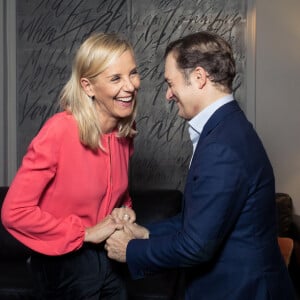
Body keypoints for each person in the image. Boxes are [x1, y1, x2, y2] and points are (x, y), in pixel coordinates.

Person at [105, 31, 295, 299]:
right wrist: (146, 232)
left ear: (198, 77)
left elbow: (196, 246)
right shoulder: (228, 129)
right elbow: (199, 220)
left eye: (171, 83)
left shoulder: (222, 145)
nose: (169, 95)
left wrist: (130, 250)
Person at [1, 32, 141, 300]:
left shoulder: (125, 131)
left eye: (133, 73)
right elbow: (14, 212)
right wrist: (85, 233)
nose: (131, 86)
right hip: (62, 265)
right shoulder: (60, 130)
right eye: (116, 78)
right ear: (88, 87)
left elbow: (116, 194)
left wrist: (125, 211)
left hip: (109, 259)